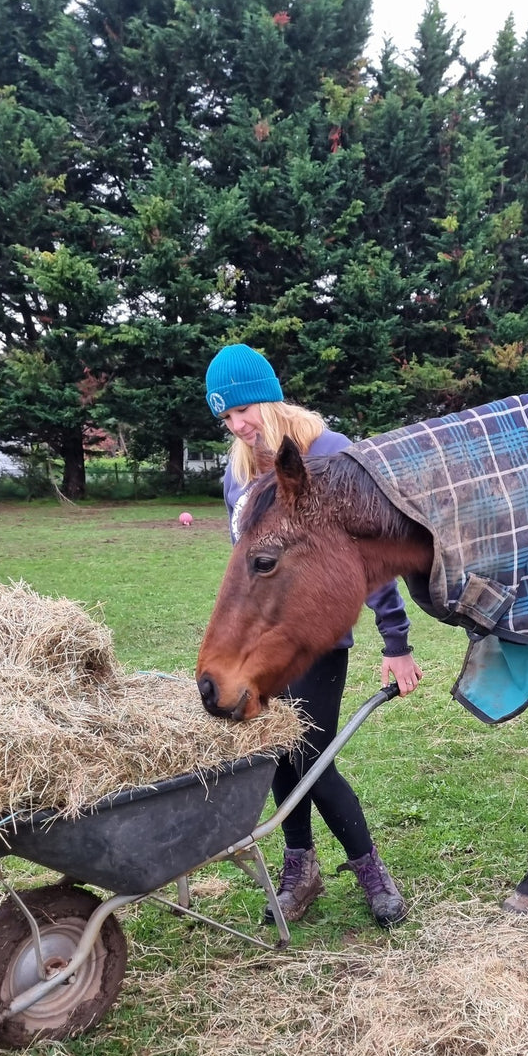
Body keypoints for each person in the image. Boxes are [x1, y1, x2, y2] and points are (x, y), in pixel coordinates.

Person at [204, 343, 423, 927]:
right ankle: (300, 866)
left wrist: (395, 642)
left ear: (269, 398)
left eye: (242, 410)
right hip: (262, 638)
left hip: (318, 638)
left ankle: (369, 866)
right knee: (272, 749)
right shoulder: (239, 469)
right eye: (225, 417)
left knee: (311, 753)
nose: (237, 425)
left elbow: (364, 557)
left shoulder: (330, 455)